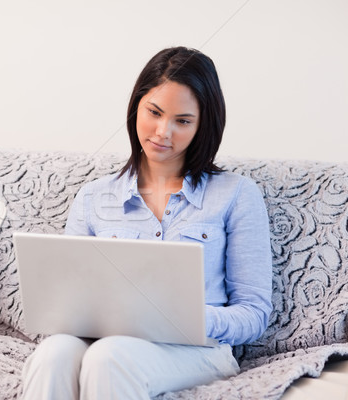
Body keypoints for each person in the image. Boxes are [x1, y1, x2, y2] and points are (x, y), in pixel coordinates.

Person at [21, 46, 273, 399]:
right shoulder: (93, 197)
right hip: (105, 342)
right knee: (53, 353)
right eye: (154, 112)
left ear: (203, 125)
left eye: (182, 121)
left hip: (199, 351)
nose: (162, 132)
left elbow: (254, 312)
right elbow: (67, 306)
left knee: (109, 358)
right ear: (136, 107)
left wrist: (188, 317)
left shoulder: (237, 194)